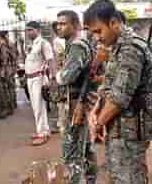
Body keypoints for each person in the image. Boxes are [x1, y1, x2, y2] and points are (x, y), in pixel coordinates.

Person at [84, 0, 152, 183]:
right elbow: (108, 85)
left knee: (129, 176)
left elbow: (119, 98)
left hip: (131, 130)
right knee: (118, 173)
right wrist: (95, 110)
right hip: (120, 127)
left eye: (99, 31)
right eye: (93, 33)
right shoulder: (117, 48)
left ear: (114, 22)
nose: (97, 37)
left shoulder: (131, 48)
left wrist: (97, 124)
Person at [54, 10, 98, 184]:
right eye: (58, 24)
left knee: (71, 151)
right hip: (78, 100)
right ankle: (91, 179)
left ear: (75, 25)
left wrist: (56, 75)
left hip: (75, 104)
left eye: (63, 23)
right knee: (85, 147)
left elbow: (66, 77)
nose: (59, 27)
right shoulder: (76, 44)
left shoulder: (77, 45)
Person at [25, 21, 55, 146]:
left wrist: (53, 78)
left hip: (39, 78)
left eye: (30, 30)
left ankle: (42, 133)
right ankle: (42, 130)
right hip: (30, 79)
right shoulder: (31, 44)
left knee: (39, 107)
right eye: (27, 30)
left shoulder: (43, 43)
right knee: (35, 106)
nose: (28, 32)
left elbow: (51, 61)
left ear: (37, 30)